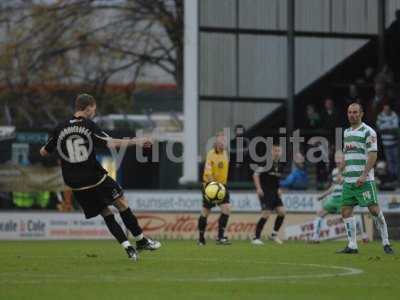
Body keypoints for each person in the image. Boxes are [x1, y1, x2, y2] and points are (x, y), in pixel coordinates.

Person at [40, 93, 161, 261]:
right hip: (93, 177)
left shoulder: (59, 127)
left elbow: (44, 151)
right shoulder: (88, 125)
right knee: (121, 203)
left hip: (74, 183)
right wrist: (136, 142)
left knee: (105, 213)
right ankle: (141, 241)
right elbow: (110, 142)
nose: (94, 113)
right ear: (88, 107)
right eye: (94, 109)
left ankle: (128, 248)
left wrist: (62, 154)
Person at [338, 103, 394, 254]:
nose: (352, 115)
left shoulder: (368, 131)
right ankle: (352, 245)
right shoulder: (347, 132)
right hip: (349, 181)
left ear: (361, 113)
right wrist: (340, 170)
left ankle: (386, 242)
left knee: (374, 210)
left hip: (364, 180)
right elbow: (347, 154)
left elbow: (373, 155)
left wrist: (364, 175)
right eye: (349, 112)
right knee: (345, 211)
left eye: (355, 112)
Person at [197, 132, 231, 246]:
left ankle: (220, 237)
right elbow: (208, 172)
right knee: (205, 212)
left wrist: (221, 186)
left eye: (224, 141)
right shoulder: (211, 154)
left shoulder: (225, 153)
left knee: (226, 209)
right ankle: (201, 238)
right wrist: (214, 186)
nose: (223, 143)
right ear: (216, 142)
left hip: (222, 186)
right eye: (221, 141)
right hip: (210, 186)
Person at [251, 144, 285, 245]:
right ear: (271, 152)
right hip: (265, 191)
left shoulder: (280, 165)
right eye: (276, 151)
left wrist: (279, 188)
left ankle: (273, 235)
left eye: (279, 151)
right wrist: (258, 188)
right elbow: (255, 174)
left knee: (282, 212)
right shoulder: (265, 162)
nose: (277, 153)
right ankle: (256, 237)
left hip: (275, 192)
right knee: (266, 214)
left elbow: (277, 179)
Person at [311, 151, 345, 243]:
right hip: (334, 199)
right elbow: (334, 186)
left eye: (339, 158)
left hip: (344, 198)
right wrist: (323, 195)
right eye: (336, 158)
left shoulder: (349, 170)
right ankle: (315, 237)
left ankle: (362, 236)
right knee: (320, 213)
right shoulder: (334, 171)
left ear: (344, 159)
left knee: (349, 218)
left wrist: (341, 176)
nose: (337, 160)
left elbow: (342, 182)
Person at [376, 104, 399, 181]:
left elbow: (395, 128)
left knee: (395, 160)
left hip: (394, 143)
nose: (386, 111)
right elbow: (380, 128)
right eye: (385, 109)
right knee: (389, 161)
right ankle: (392, 176)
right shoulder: (380, 116)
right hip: (385, 143)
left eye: (388, 110)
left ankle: (396, 176)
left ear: (390, 110)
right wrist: (389, 126)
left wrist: (385, 127)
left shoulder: (394, 115)